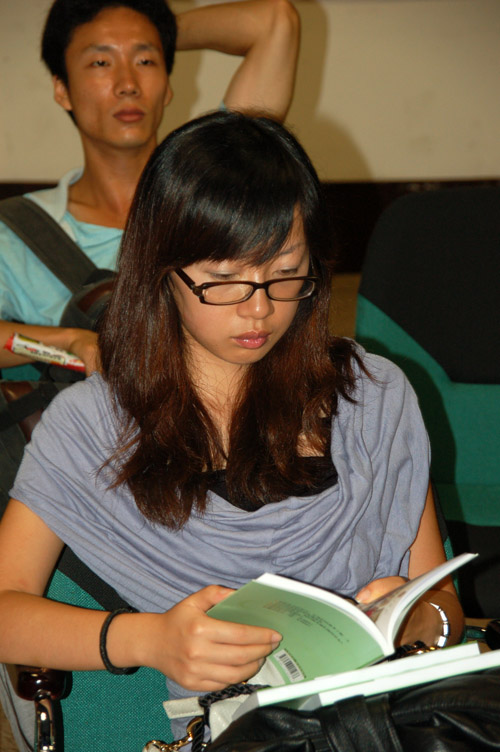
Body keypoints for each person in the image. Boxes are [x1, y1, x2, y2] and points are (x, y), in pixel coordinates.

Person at [0, 111, 464, 749]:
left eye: (285, 273)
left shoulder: (373, 398)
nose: (259, 308)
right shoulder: (92, 427)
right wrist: (148, 639)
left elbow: (440, 601)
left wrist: (417, 621)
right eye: (223, 281)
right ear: (161, 270)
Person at [0, 0, 300, 377]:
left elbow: (275, 20)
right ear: (62, 89)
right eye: (101, 62)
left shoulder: (214, 187)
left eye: (145, 61)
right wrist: (68, 340)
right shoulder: (17, 230)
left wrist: (156, 31)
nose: (128, 84)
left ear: (168, 86)